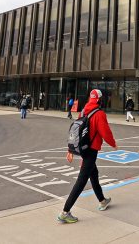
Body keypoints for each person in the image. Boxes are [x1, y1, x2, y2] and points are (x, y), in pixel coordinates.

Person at [57, 89, 118, 224]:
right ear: (100, 100)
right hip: (91, 150)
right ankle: (65, 212)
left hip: (83, 148)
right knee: (82, 180)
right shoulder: (99, 114)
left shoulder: (84, 110)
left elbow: (75, 131)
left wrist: (70, 149)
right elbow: (105, 132)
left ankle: (102, 200)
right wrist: (113, 144)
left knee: (93, 174)